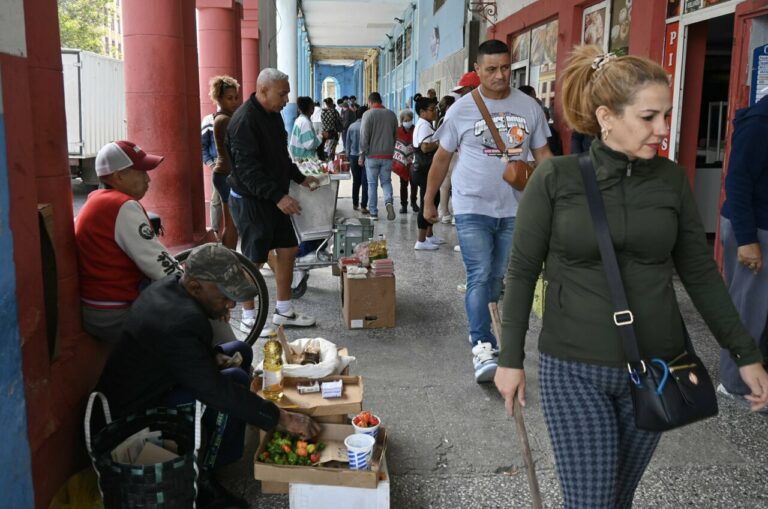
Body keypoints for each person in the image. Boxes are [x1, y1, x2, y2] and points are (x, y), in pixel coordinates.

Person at [494, 45, 768, 508]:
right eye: (649, 117)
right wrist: (510, 358)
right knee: (593, 502)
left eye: (665, 115)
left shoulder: (669, 180)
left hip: (658, 369)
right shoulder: (555, 178)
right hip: (575, 368)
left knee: (617, 498)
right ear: (606, 116)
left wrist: (745, 352)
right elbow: (521, 272)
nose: (663, 130)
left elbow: (699, 272)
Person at [96, 243, 320, 509]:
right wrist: (281, 418)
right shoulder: (181, 321)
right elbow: (214, 390)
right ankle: (204, 476)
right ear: (194, 288)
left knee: (240, 350)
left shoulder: (172, 288)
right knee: (234, 382)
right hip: (135, 414)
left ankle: (229, 428)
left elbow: (175, 354)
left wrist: (210, 355)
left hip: (158, 380)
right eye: (224, 296)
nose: (232, 303)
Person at [423, 39, 553, 383]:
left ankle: (488, 332)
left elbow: (544, 158)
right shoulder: (461, 109)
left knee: (497, 277)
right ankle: (482, 344)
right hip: (471, 205)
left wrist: (560, 197)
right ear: (477, 71)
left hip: (514, 209)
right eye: (492, 69)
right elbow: (441, 158)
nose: (500, 75)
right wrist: (429, 199)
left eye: (506, 68)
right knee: (480, 273)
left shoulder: (529, 107)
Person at [226, 68, 319, 329]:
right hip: (251, 199)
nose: (287, 99)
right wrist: (278, 197)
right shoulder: (244, 121)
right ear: (263, 90)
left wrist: (300, 178)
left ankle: (284, 311)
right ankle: (247, 318)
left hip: (272, 198)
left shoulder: (274, 115)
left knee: (288, 249)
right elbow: (248, 171)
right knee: (254, 259)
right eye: (282, 93)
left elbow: (281, 156)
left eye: (287, 93)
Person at [75, 140, 181, 344]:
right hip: (114, 312)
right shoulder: (121, 206)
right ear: (119, 176)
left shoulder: (97, 199)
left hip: (98, 307)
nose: (148, 179)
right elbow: (159, 266)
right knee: (192, 321)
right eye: (141, 172)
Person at [718, 94, 768, 412]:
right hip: (752, 227)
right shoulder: (760, 123)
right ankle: (734, 385)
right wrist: (748, 240)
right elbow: (736, 182)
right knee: (748, 309)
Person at [209, 75, 241, 249]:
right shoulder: (224, 120)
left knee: (232, 223)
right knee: (231, 223)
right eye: (230, 98)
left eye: (236, 98)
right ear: (219, 98)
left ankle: (230, 259)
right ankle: (229, 260)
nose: (234, 102)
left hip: (225, 174)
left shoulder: (225, 117)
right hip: (225, 174)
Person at [359, 92, 399, 221]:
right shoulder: (392, 114)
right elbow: (395, 135)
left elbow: (364, 137)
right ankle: (388, 201)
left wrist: (362, 154)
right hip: (387, 155)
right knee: (386, 182)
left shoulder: (367, 114)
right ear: (380, 101)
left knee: (372, 184)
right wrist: (390, 149)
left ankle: (373, 212)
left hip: (372, 156)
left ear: (370, 102)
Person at [412, 97, 444, 251]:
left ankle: (429, 235)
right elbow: (425, 147)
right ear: (422, 112)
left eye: (435, 109)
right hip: (424, 170)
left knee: (434, 199)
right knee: (427, 201)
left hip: (425, 169)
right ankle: (421, 240)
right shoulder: (424, 126)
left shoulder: (425, 124)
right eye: (432, 109)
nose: (435, 112)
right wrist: (441, 143)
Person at [392, 108, 418, 214]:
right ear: (402, 120)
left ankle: (414, 203)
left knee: (414, 183)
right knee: (403, 184)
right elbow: (395, 144)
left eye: (410, 120)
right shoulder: (397, 131)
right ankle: (404, 205)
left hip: (414, 161)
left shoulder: (416, 129)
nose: (408, 122)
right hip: (402, 162)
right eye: (406, 120)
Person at [201, 112, 222, 236]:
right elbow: (202, 145)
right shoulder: (209, 120)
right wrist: (211, 164)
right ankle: (215, 232)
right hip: (218, 165)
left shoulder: (236, 116)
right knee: (216, 199)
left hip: (235, 166)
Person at [345, 105, 369, 213]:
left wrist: (347, 155)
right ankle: (363, 206)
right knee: (365, 181)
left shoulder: (351, 126)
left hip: (353, 156)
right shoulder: (368, 127)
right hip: (366, 156)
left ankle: (355, 204)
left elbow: (347, 143)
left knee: (356, 181)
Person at [436, 95, 456, 224]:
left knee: (445, 184)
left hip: (447, 152)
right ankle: (450, 213)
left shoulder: (441, 119)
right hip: (453, 153)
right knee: (452, 184)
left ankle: (443, 211)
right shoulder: (449, 119)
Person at [289, 96, 324, 160]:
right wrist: (321, 136)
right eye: (312, 105)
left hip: (299, 156)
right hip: (304, 158)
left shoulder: (300, 119)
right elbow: (309, 144)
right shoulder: (305, 122)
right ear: (310, 108)